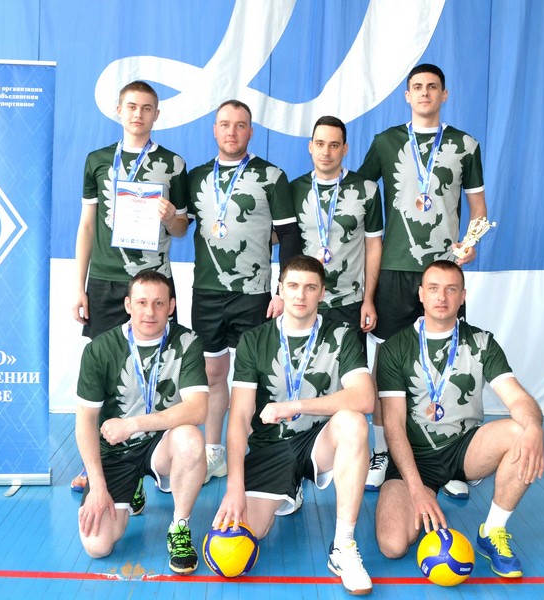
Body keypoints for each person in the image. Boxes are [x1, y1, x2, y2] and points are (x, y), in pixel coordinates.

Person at [357, 64, 488, 498]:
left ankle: (452, 456)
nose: (425, 93)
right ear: (407, 96)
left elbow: (479, 210)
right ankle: (382, 452)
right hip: (394, 270)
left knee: (448, 358)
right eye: (417, 87)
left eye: (433, 87)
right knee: (387, 363)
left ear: (444, 95)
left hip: (444, 272)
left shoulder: (465, 144)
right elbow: (358, 197)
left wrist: (470, 244)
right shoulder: (386, 142)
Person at [213, 255, 376, 595]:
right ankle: (290, 488)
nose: (301, 295)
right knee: (239, 540)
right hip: (271, 448)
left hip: (319, 442)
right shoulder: (254, 340)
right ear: (280, 289)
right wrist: (234, 486)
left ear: (322, 292)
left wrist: (295, 406)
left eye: (310, 287)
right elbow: (239, 417)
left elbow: (364, 398)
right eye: (293, 286)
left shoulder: (342, 335)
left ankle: (343, 546)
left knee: (353, 422)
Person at [375, 260, 544, 578]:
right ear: (421, 294)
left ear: (463, 296)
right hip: (415, 457)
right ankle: (425, 493)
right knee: (393, 545)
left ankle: (492, 531)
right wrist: (416, 489)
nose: (442, 297)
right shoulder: (395, 348)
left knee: (520, 430)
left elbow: (518, 398)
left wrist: (534, 426)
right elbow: (394, 427)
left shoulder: (481, 342)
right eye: (434, 289)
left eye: (451, 289)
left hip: (465, 449)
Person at [71, 80, 190, 495]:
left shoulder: (173, 163)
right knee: (104, 372)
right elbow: (87, 226)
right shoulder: (98, 160)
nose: (138, 114)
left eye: (146, 108)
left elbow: (181, 228)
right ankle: (99, 461)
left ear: (157, 114)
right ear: (118, 111)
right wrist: (79, 286)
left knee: (156, 369)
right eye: (132, 107)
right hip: (105, 281)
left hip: (154, 280)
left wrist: (171, 216)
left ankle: (147, 458)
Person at [187, 99, 302, 483]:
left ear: (251, 131)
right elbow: (178, 226)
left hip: (253, 293)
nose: (232, 131)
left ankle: (261, 456)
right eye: (225, 124)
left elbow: (288, 235)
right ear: (214, 130)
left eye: (240, 125)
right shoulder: (196, 177)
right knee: (212, 373)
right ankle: (214, 452)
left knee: (256, 377)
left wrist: (282, 289)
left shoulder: (271, 176)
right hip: (206, 292)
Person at [75, 270, 209, 574]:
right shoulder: (99, 349)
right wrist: (97, 486)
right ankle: (132, 486)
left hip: (161, 443)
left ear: (171, 306)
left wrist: (133, 424)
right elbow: (85, 422)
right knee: (97, 545)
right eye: (142, 302)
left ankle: (179, 526)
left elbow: (198, 409)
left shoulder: (187, 341)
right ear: (128, 305)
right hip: (116, 452)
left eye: (159, 303)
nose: (150, 312)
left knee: (191, 438)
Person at [290, 115, 383, 347]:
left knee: (352, 368)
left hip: (350, 302)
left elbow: (373, 246)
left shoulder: (367, 189)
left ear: (345, 149)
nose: (326, 152)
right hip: (304, 300)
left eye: (334, 145)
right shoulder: (294, 189)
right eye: (320, 144)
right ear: (310, 147)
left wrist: (368, 300)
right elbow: (281, 238)